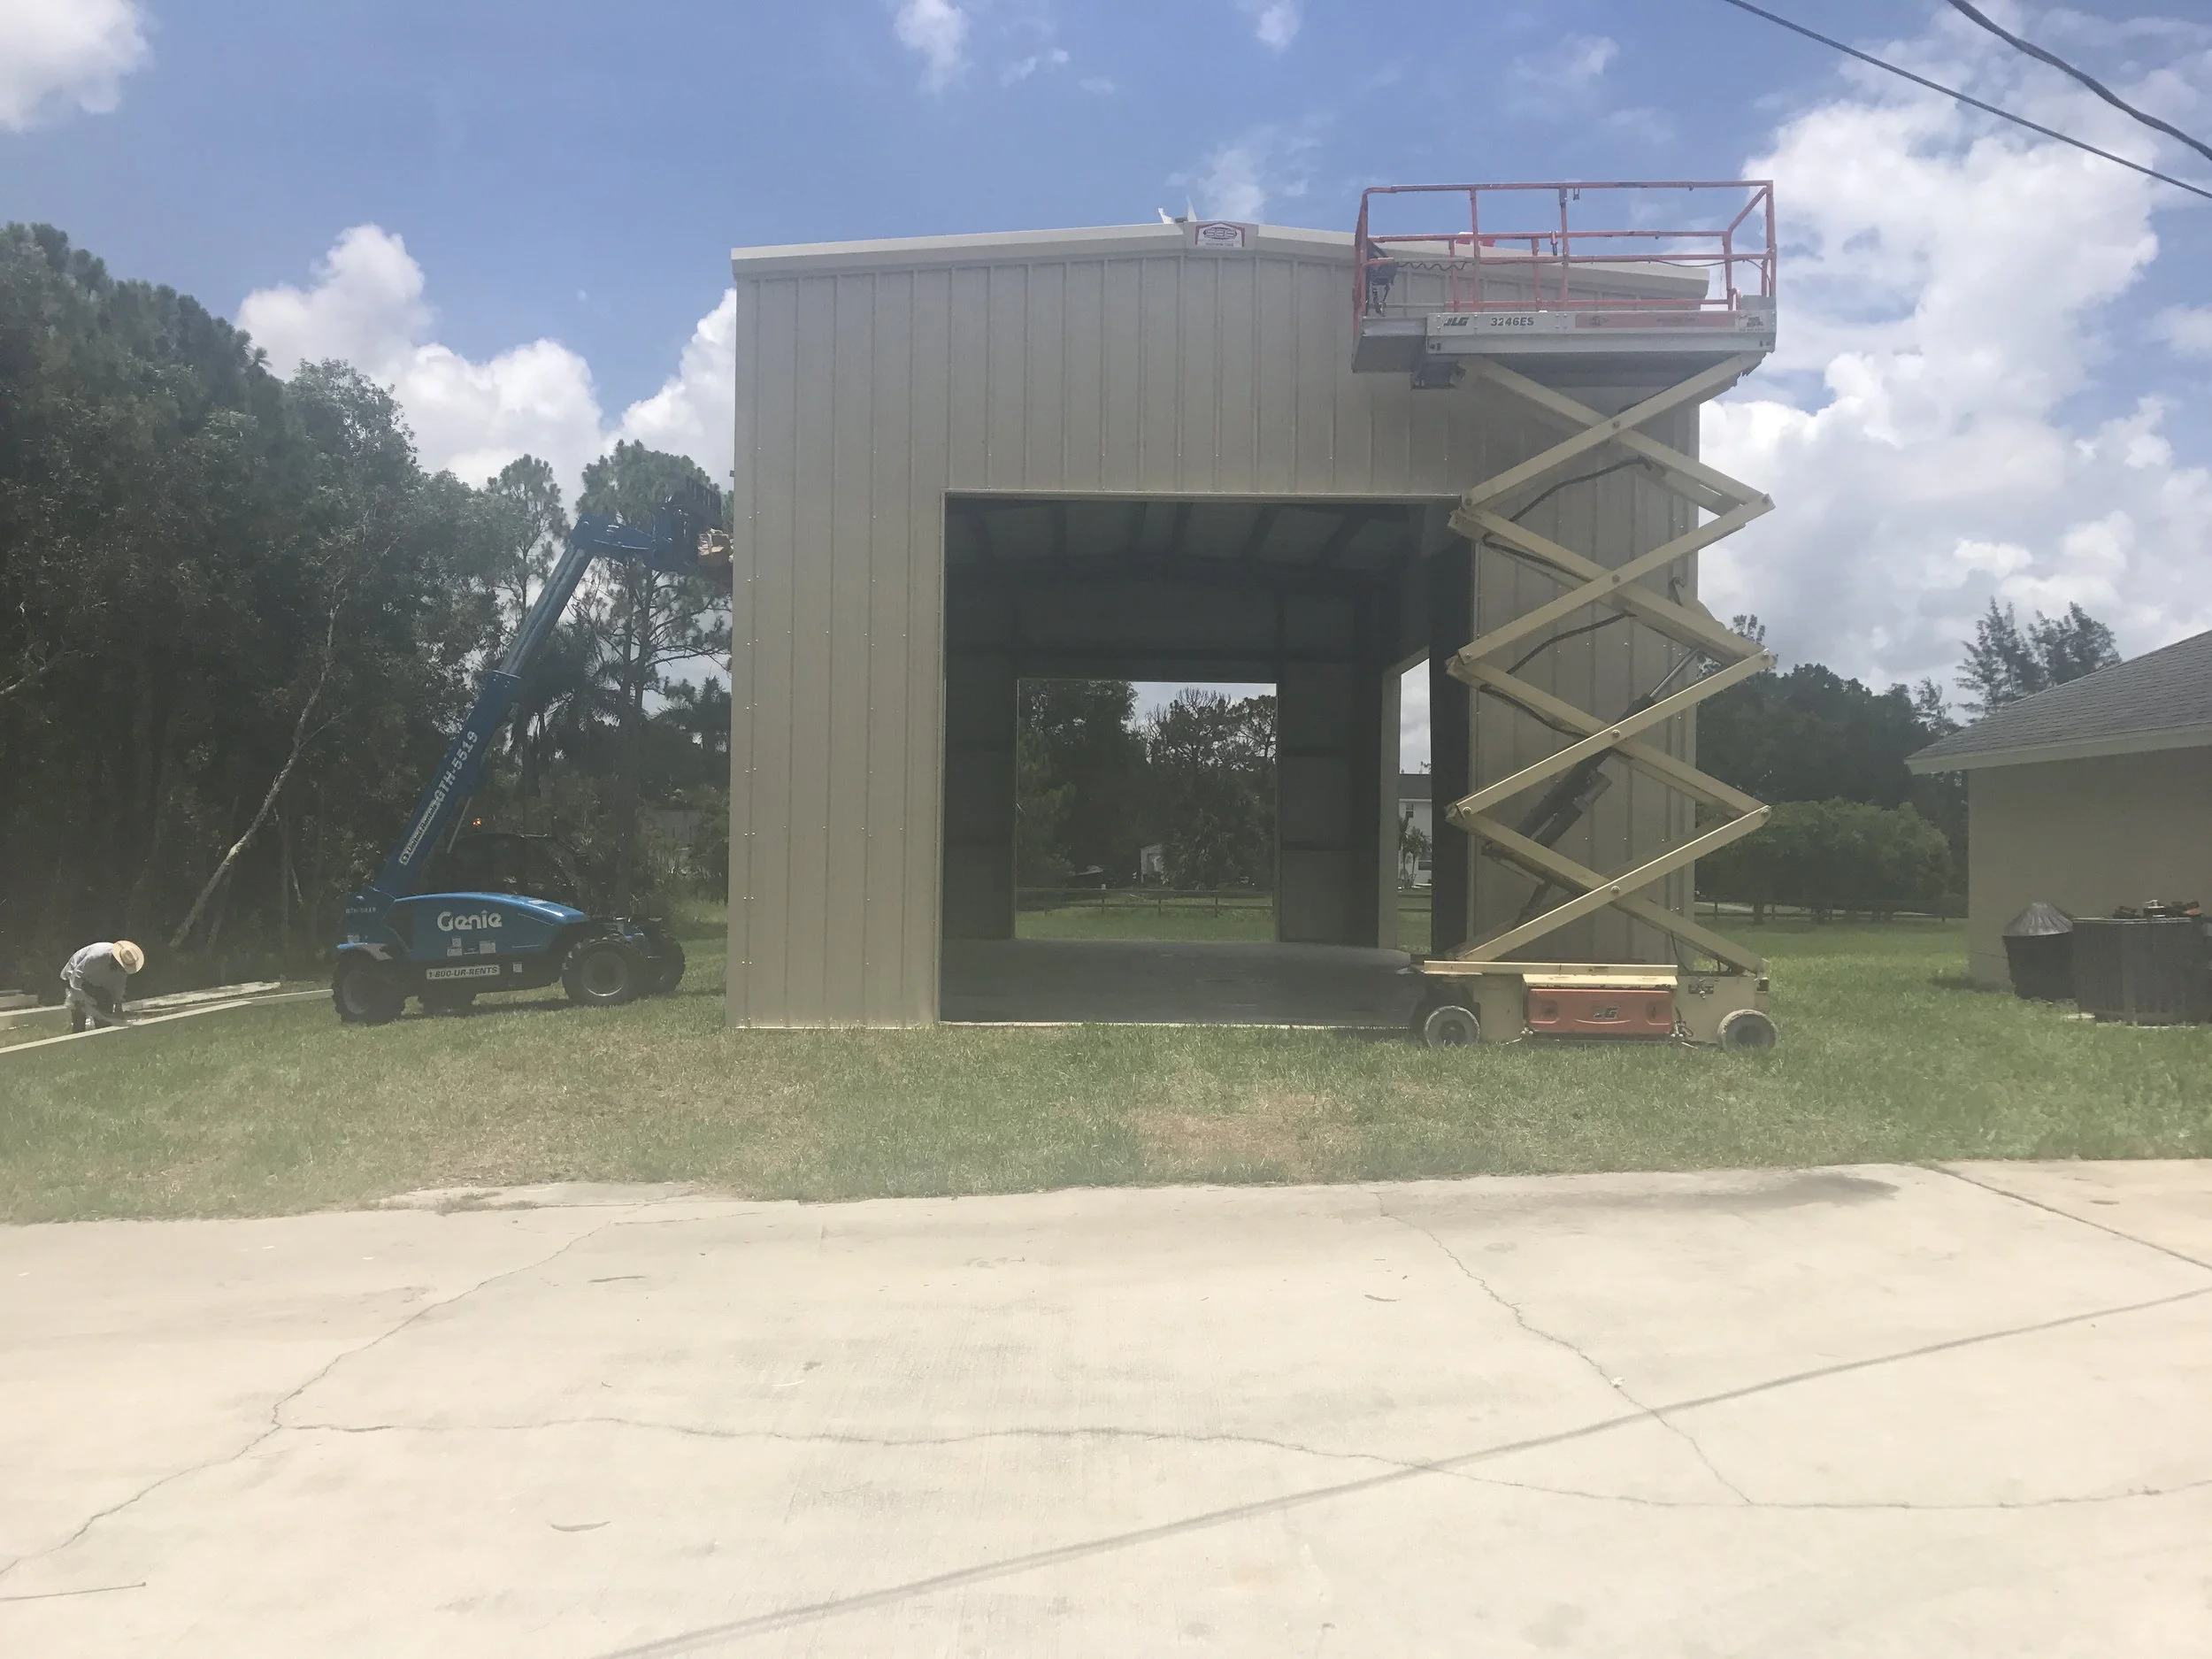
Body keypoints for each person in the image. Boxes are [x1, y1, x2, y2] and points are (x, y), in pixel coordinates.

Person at [60, 940, 143, 1033]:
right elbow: (77, 975)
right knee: (80, 1012)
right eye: (120, 966)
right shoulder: (96, 957)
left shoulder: (124, 964)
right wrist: (79, 996)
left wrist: (118, 1004)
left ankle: (102, 1036)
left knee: (106, 1005)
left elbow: (119, 985)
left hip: (96, 981)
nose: (121, 969)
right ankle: (77, 1039)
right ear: (116, 959)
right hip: (75, 976)